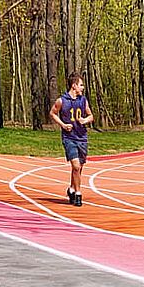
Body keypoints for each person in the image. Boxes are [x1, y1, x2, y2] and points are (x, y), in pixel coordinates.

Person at [50, 72, 94, 206]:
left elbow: (91, 115)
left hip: (82, 137)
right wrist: (63, 125)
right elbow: (52, 113)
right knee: (75, 165)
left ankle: (71, 188)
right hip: (69, 137)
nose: (83, 87)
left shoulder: (83, 100)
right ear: (74, 86)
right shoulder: (62, 100)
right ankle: (78, 192)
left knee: (79, 167)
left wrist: (85, 120)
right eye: (81, 85)